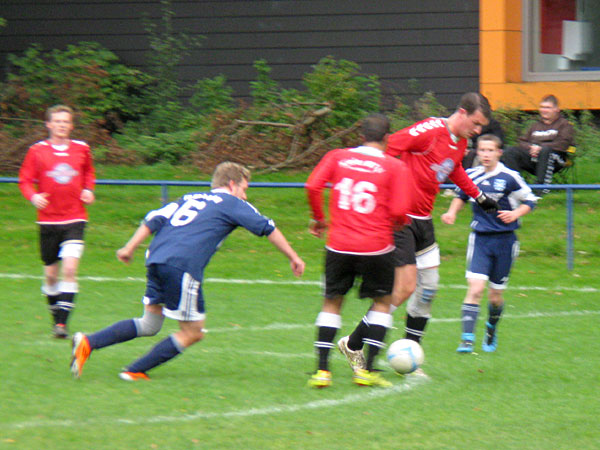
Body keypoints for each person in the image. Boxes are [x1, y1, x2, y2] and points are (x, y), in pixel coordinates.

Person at [70, 162, 305, 381]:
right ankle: (134, 371)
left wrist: (129, 247)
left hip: (156, 258)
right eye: (244, 189)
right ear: (232, 184)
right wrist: (293, 257)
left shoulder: (188, 197)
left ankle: (88, 343)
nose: (245, 195)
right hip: (182, 265)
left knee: (150, 324)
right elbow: (268, 228)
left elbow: (153, 218)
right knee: (193, 332)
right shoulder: (232, 203)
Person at [338, 93, 499, 376]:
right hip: (401, 220)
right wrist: (382, 185)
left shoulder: (460, 142)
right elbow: (386, 147)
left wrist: (478, 196)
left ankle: (409, 354)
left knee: (429, 289)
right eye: (475, 123)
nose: (477, 131)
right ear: (462, 112)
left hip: (424, 221)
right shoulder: (429, 131)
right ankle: (353, 344)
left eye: (481, 127)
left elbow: (454, 168)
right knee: (404, 289)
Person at [305, 113, 412, 388]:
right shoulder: (394, 166)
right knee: (382, 303)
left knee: (332, 302)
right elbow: (400, 210)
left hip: (338, 244)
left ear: (361, 136)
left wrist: (319, 219)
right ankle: (367, 370)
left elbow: (313, 185)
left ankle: (322, 371)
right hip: (376, 246)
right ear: (387, 138)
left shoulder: (337, 157)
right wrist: (398, 222)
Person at [441, 134, 537, 352]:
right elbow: (461, 196)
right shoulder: (471, 175)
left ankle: (491, 328)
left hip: (505, 241)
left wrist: (516, 214)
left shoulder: (510, 177)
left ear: (499, 153)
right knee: (475, 289)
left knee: (495, 297)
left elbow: (530, 200)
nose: (486, 155)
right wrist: (451, 212)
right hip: (480, 240)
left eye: (490, 150)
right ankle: (467, 340)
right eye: (482, 150)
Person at [18, 105, 96, 339]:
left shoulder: (82, 148)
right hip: (48, 222)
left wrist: (88, 189)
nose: (62, 125)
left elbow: (89, 173)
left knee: (69, 269)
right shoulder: (37, 151)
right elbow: (25, 180)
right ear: (49, 125)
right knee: (51, 276)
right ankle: (56, 318)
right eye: (58, 121)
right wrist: (33, 197)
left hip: (75, 218)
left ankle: (62, 325)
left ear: (71, 126)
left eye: (66, 121)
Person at [501, 95, 574, 193]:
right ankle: (516, 185)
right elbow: (522, 141)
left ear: (556, 110)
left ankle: (540, 189)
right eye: (542, 107)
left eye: (548, 107)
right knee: (510, 151)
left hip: (555, 159)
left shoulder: (564, 125)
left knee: (545, 151)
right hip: (533, 157)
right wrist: (531, 147)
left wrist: (540, 148)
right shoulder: (535, 126)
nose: (544, 110)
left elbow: (563, 144)